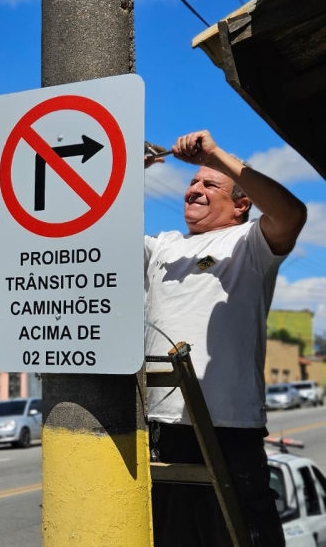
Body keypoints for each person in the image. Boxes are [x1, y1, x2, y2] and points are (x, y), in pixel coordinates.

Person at [144, 130, 307, 547]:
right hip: (164, 428)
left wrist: (215, 155)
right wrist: (125, 178)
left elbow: (292, 214)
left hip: (229, 427)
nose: (194, 189)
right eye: (192, 182)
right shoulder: (163, 246)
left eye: (210, 183)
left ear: (241, 204)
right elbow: (99, 239)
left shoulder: (250, 243)